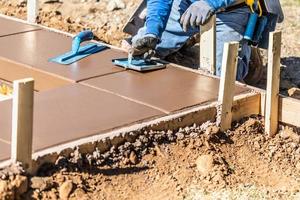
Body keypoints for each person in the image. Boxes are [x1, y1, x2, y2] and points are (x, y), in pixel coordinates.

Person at [127, 0, 283, 82]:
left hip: (231, 11)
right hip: (186, 7)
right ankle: (190, 38)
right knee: (139, 50)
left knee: (223, 80)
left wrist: (211, 2)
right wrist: (153, 31)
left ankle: (248, 56)